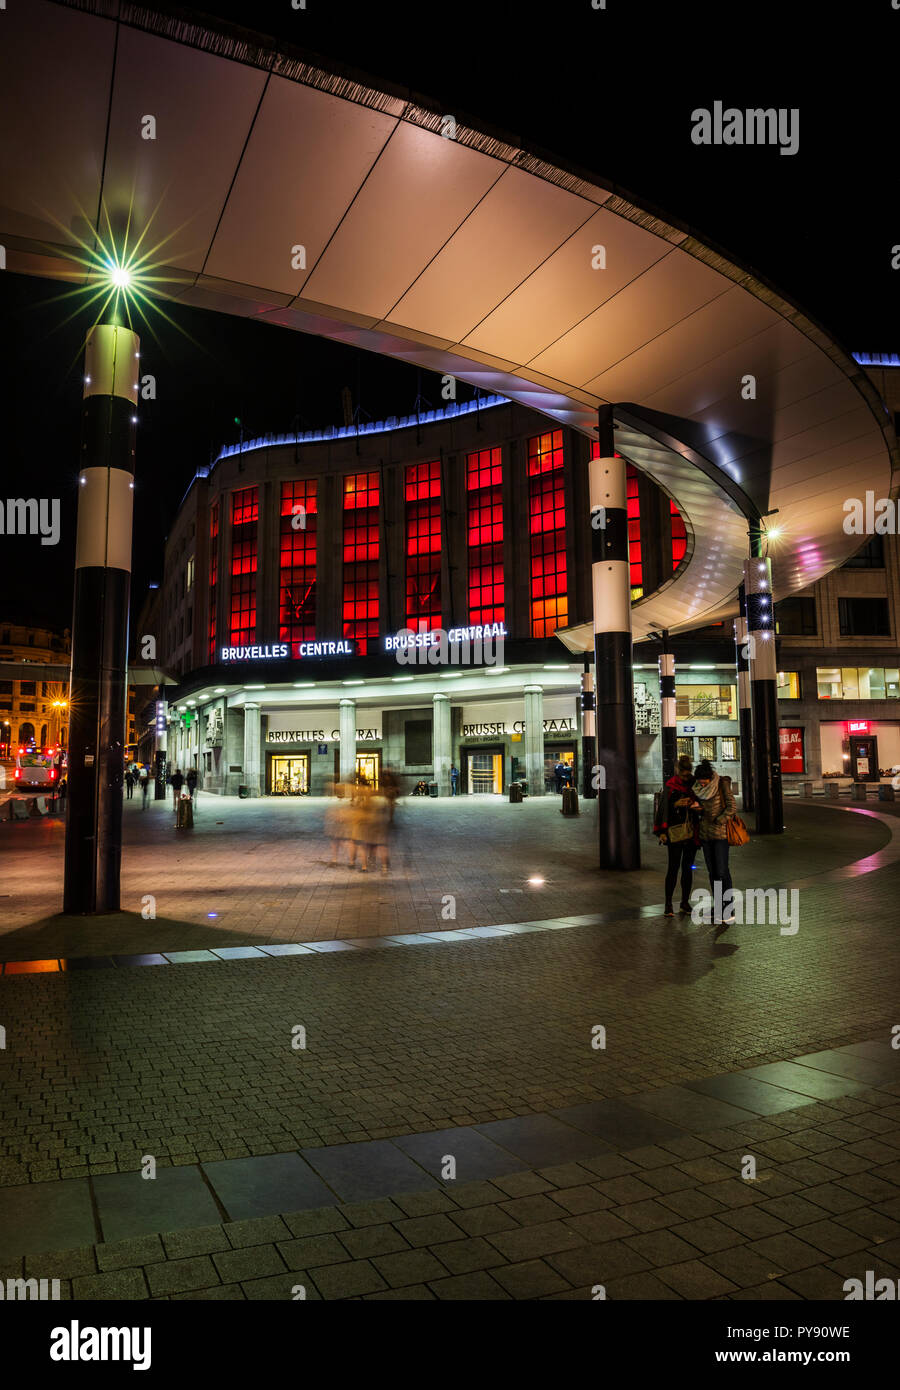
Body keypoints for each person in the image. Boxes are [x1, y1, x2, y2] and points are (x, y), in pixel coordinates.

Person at [653, 754, 701, 917]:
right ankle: (668, 904)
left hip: (691, 832)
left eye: (687, 774)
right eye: (683, 774)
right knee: (673, 868)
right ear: (678, 771)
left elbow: (702, 802)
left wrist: (695, 805)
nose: (685, 777)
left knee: (687, 868)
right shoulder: (671, 785)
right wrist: (662, 831)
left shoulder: (695, 784)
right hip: (674, 832)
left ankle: (684, 903)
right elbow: (663, 810)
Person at [694, 759, 736, 929]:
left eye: (704, 780)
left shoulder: (722, 784)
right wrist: (698, 809)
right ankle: (718, 907)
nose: (701, 783)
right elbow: (704, 809)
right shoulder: (698, 789)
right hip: (705, 835)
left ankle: (729, 909)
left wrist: (720, 820)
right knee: (712, 872)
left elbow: (732, 806)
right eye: (699, 780)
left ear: (710, 777)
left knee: (721, 870)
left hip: (720, 834)